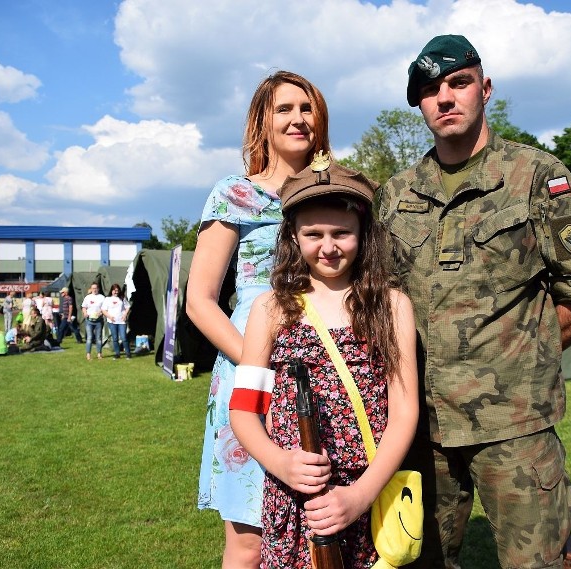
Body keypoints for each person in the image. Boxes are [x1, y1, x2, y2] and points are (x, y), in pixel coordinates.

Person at [378, 35, 571, 568]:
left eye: (459, 83)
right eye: (430, 90)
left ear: (484, 89)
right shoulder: (396, 195)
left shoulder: (538, 178)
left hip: (515, 428)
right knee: (412, 560)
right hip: (420, 429)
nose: (445, 98)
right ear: (419, 105)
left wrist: (522, 357)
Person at [230, 159, 418, 568]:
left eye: (342, 233)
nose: (328, 247)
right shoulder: (271, 308)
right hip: (295, 499)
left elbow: (405, 412)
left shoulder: (392, 305)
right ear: (293, 237)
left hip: (366, 495)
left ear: (364, 234)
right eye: (313, 234)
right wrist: (279, 461)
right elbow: (243, 409)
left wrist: (360, 496)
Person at [185, 70, 331, 567]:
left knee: (323, 530)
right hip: (251, 373)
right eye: (284, 109)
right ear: (262, 122)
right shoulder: (235, 193)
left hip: (326, 368)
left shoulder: (335, 190)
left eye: (306, 108)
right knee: (250, 538)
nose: (297, 119)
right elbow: (200, 300)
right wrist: (256, 362)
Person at [102, 283, 131, 359]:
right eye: (114, 290)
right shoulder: (107, 299)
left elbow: (128, 307)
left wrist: (125, 315)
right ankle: (117, 354)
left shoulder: (122, 298)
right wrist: (109, 317)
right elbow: (103, 310)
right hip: (112, 322)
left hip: (121, 321)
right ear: (111, 291)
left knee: (124, 337)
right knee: (115, 339)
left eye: (117, 290)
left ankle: (128, 353)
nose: (116, 292)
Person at [81, 283, 106, 360]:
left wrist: (101, 313)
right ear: (91, 289)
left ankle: (99, 354)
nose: (94, 289)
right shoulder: (88, 297)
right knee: (89, 338)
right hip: (89, 321)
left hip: (98, 321)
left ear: (98, 289)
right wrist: (85, 313)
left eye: (96, 288)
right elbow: (83, 307)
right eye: (93, 288)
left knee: (98, 338)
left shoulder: (102, 297)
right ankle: (88, 354)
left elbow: (105, 308)